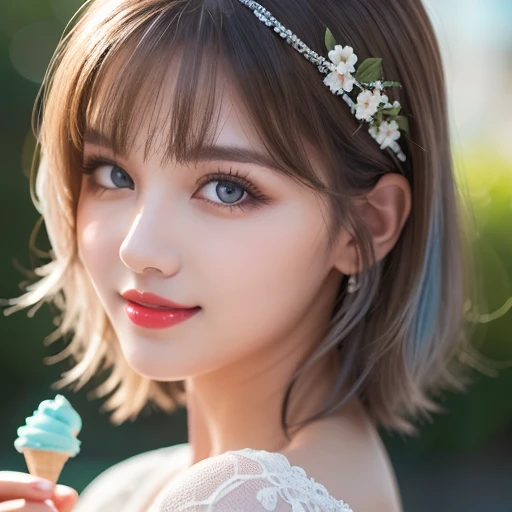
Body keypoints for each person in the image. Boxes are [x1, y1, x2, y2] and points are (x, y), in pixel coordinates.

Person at [0, 0, 477, 510]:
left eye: (227, 189)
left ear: (365, 224)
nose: (138, 249)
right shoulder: (137, 486)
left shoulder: (238, 498)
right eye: (113, 175)